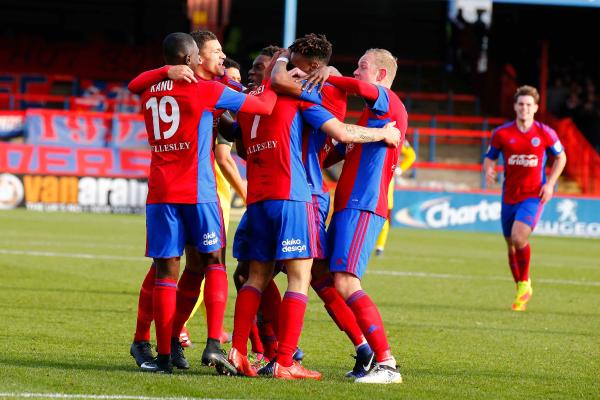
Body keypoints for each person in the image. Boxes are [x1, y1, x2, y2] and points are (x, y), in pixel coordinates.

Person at [226, 45, 401, 380]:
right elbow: (341, 132)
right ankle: (286, 358)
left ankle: (244, 350)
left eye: (260, 66)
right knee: (308, 277)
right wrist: (383, 134)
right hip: (297, 196)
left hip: (262, 198)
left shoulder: (253, 103)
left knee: (258, 276)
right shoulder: (305, 99)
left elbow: (241, 143)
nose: (255, 72)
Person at [129, 31, 276, 374]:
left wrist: (163, 72)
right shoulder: (206, 90)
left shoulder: (151, 90)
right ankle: (213, 343)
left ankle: (163, 357)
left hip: (161, 194)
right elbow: (265, 106)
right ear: (191, 59)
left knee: (166, 273)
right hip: (198, 193)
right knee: (214, 264)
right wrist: (277, 74)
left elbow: (136, 83)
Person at [267, 33, 384, 379]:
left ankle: (281, 354)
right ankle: (360, 348)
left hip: (304, 195)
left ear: (312, 67)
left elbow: (285, 78)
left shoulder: (318, 92)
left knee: (281, 275)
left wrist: (288, 62)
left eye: (296, 64)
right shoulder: (311, 89)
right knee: (311, 277)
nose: (290, 69)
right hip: (293, 192)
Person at [309, 48, 408, 383]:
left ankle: (387, 363)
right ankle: (365, 351)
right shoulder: (367, 121)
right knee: (319, 274)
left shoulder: (389, 102)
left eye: (362, 67)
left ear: (380, 75)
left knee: (347, 281)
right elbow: (333, 151)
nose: (356, 72)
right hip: (346, 206)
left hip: (363, 205)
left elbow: (361, 89)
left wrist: (330, 75)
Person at [483, 85, 567, 311]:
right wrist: (489, 170)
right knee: (510, 244)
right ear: (515, 107)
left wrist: (550, 184)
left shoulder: (545, 133)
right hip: (509, 196)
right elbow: (490, 157)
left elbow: (561, 158)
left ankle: (524, 281)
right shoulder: (502, 133)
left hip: (533, 195)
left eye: (529, 105)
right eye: (521, 104)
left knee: (519, 237)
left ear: (536, 108)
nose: (525, 108)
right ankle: (522, 287)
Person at [374, 140, 416, 257]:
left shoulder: (398, 136)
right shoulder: (372, 131)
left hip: (387, 181)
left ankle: (380, 247)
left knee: (385, 215)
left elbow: (411, 155)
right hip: (371, 178)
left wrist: (400, 169)